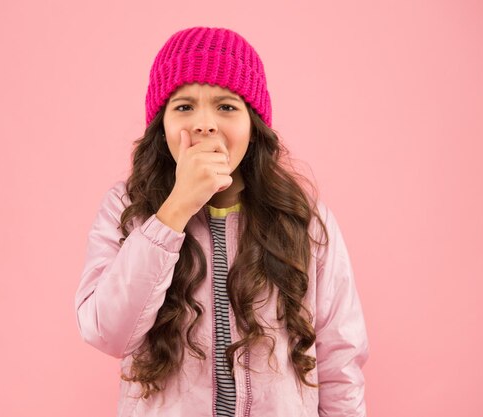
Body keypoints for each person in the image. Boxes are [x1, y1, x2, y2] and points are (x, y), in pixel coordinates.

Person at [74, 26, 369, 417]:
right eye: (183, 107)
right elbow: (106, 332)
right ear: (161, 125)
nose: (204, 123)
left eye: (226, 106)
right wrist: (174, 211)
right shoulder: (127, 209)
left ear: (253, 123)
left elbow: (340, 362)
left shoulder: (304, 221)